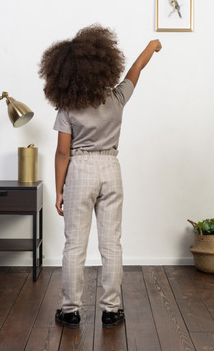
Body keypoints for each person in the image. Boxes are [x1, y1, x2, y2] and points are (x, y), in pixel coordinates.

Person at [39, 25, 162, 329]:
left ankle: (70, 311)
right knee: (111, 244)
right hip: (111, 169)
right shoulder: (117, 98)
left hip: (80, 171)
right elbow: (135, 71)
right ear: (104, 65)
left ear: (66, 71)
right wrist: (151, 47)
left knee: (74, 246)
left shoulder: (67, 107)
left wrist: (59, 190)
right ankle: (111, 309)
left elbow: (62, 154)